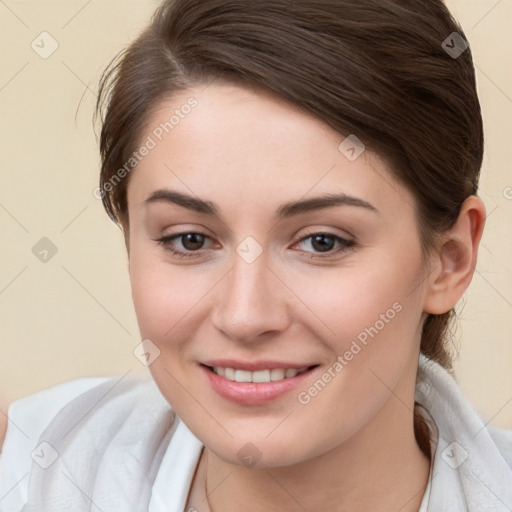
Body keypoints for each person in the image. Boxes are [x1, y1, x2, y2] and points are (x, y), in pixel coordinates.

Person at [1, 0, 511, 510]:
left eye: (322, 242)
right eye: (190, 240)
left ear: (450, 259)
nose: (245, 316)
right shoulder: (27, 472)